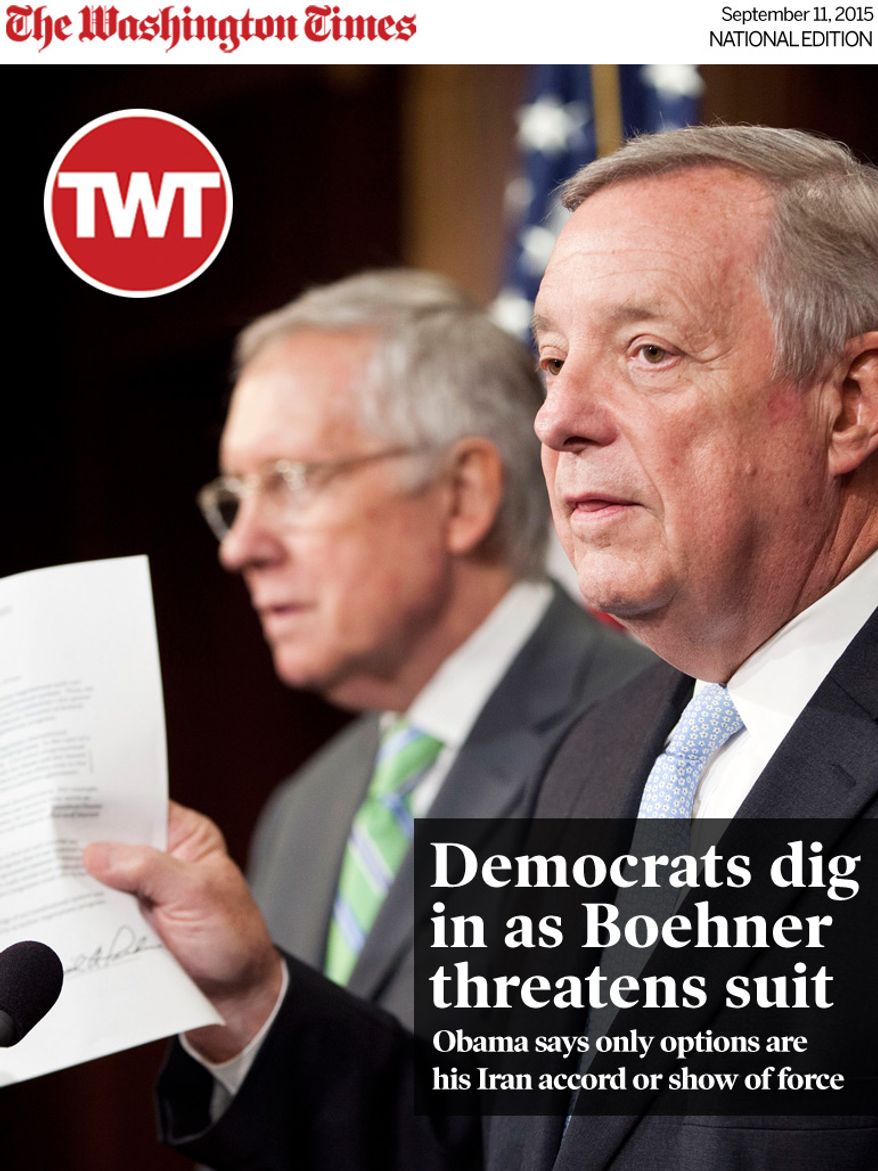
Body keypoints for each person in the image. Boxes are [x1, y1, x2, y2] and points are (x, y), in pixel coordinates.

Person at [84, 126, 878, 1169]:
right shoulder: (598, 758)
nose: (556, 419)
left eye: (647, 351)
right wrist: (248, 1000)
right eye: (552, 362)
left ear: (848, 403)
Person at [197, 270, 653, 1030]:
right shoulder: (303, 809)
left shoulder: (648, 739)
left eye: (291, 480)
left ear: (462, 494)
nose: (242, 547)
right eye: (237, 498)